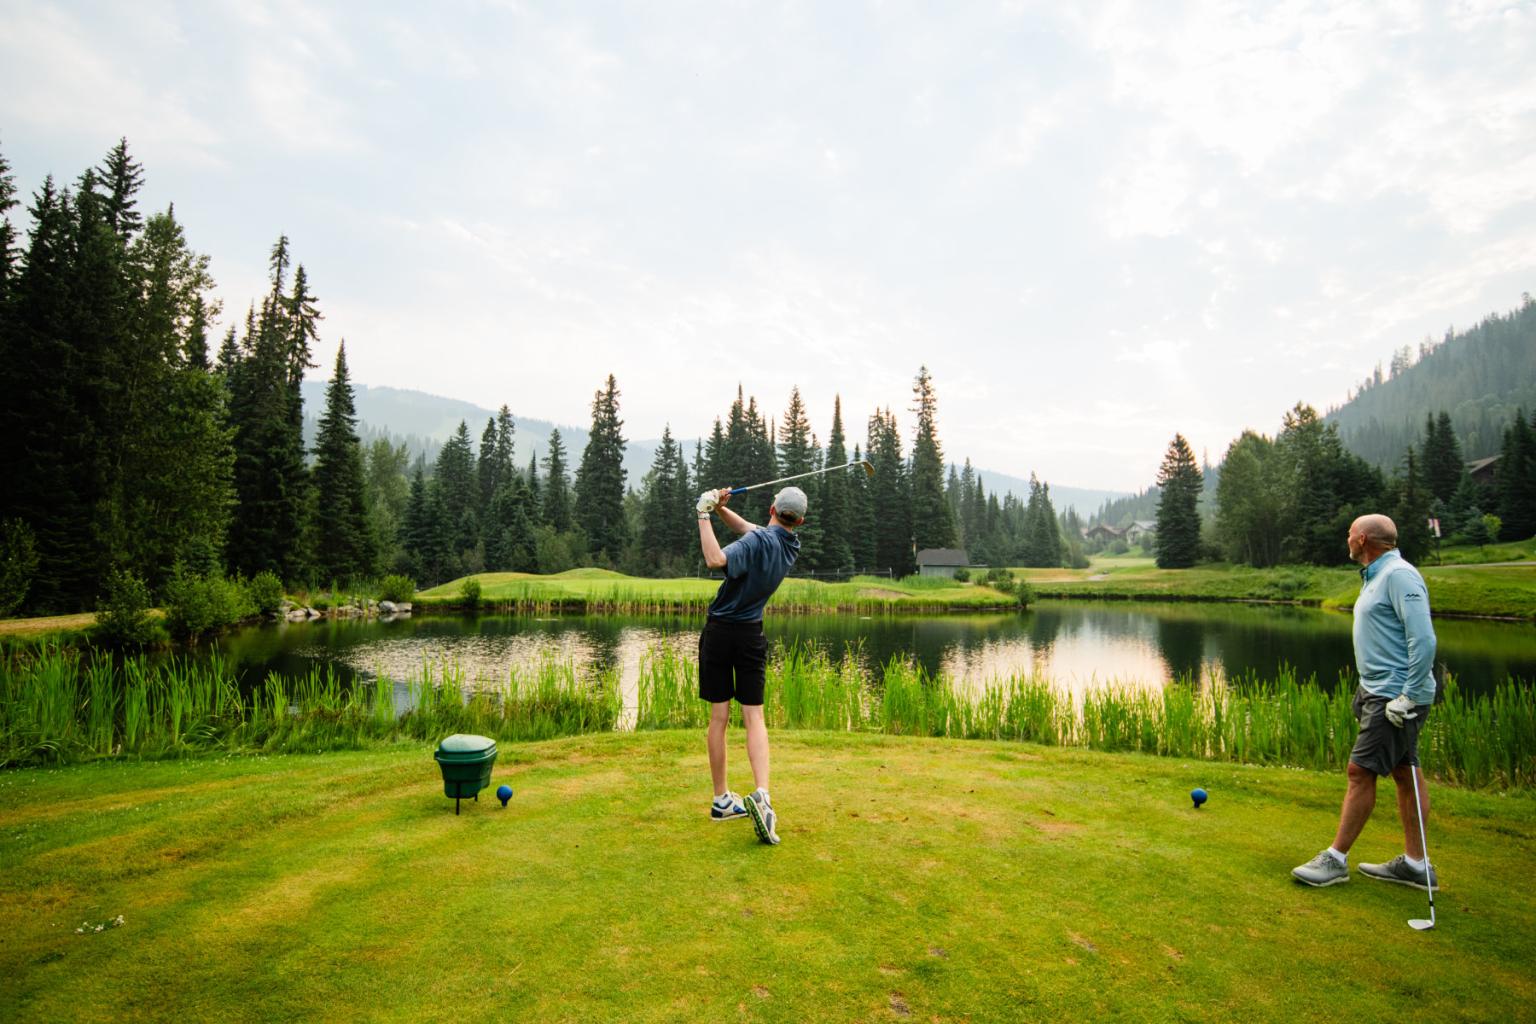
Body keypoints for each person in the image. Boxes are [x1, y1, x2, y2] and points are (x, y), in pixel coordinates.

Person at [1293, 513, 1439, 890]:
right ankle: (1415, 866)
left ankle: (1336, 859)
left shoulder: (1399, 575)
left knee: (1360, 771)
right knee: (1405, 773)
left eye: (1349, 534)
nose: (1347, 539)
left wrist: (1408, 694)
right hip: (1378, 691)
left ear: (1361, 539)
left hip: (1396, 695)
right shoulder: (1376, 575)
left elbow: (1422, 639)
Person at [694, 484, 805, 845]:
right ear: (799, 520)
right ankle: (762, 793)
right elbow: (751, 530)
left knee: (719, 717)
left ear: (771, 507)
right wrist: (723, 509)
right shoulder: (789, 545)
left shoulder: (757, 543)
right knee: (754, 716)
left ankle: (721, 799)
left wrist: (703, 514)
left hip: (721, 632)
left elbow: (715, 560)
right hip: (751, 636)